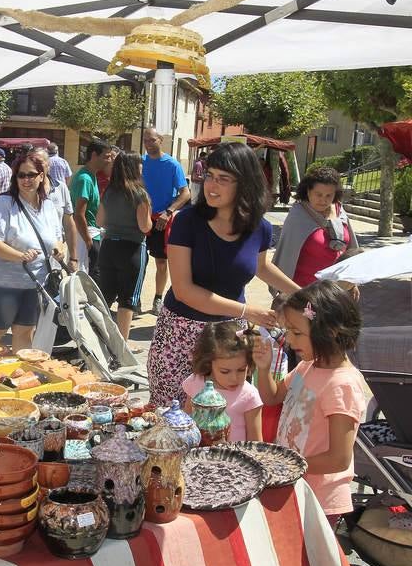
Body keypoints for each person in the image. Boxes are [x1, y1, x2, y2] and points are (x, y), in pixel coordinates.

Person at [146, 142, 300, 407]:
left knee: (226, 415)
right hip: (179, 337)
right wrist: (247, 311)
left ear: (245, 184)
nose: (211, 185)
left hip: (229, 342)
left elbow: (261, 267)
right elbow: (184, 290)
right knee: (172, 418)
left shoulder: (260, 227)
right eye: (210, 175)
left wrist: (303, 293)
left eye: (223, 179)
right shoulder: (186, 221)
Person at [253, 280, 365, 527]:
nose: (289, 340)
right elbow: (272, 397)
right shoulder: (307, 366)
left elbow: (339, 458)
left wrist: (283, 463)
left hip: (319, 501)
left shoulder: (342, 385)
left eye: (297, 333)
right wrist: (263, 369)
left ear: (331, 331)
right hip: (294, 485)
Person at [0, 155, 64, 352]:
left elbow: (57, 237)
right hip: (4, 281)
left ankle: (18, 369)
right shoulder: (4, 203)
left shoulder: (48, 206)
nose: (26, 180)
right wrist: (20, 256)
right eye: (21, 175)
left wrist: (59, 249)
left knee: (25, 331)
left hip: (36, 282)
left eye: (31, 175)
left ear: (41, 176)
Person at [96, 152, 152, 340]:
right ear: (134, 168)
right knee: (128, 299)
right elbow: (145, 227)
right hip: (132, 248)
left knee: (105, 295)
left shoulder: (109, 191)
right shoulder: (140, 194)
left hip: (108, 247)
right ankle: (122, 344)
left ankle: (99, 338)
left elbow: (99, 221)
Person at [272, 167, 358, 287]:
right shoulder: (298, 216)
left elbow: (350, 249)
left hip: (335, 290)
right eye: (318, 194)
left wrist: (352, 282)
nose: (323, 200)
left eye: (329, 195)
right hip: (303, 290)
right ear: (308, 191)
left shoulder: (339, 210)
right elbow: (286, 256)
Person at [182, 321, 263, 442]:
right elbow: (186, 421)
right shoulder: (195, 382)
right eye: (225, 371)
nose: (234, 378)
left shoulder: (250, 395)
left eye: (241, 370)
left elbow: (256, 442)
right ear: (209, 363)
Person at [141, 127, 191, 314]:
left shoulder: (172, 164)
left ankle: (157, 298)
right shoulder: (140, 162)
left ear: (161, 140)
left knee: (161, 262)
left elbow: (185, 193)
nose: (148, 144)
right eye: (146, 140)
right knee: (138, 261)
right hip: (141, 217)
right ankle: (134, 299)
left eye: (152, 140)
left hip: (162, 220)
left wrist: (168, 212)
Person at [70, 139, 112, 282]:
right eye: (106, 156)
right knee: (87, 280)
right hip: (86, 235)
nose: (109, 160)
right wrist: (89, 242)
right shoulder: (85, 179)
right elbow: (78, 214)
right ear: (94, 155)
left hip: (91, 233)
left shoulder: (91, 176)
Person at [31, 147, 78, 271]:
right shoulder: (24, 190)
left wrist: (73, 258)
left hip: (55, 260)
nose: (36, 166)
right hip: (30, 260)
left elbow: (68, 224)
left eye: (40, 162)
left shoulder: (60, 188)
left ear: (48, 165)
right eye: (33, 162)